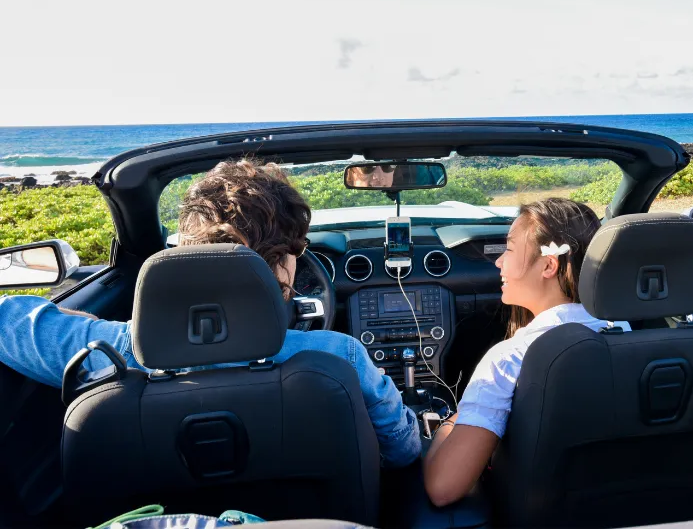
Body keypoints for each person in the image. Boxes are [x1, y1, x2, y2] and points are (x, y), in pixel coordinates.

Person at [0, 159, 421, 468]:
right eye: (297, 253)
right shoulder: (338, 356)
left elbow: (8, 321)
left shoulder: (105, 355)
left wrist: (98, 328)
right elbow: (403, 451)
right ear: (280, 265)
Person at [423, 198, 631, 506]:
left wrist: (450, 424)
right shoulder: (625, 331)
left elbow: (443, 489)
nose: (498, 263)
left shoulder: (509, 358)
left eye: (507, 250)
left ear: (549, 264)